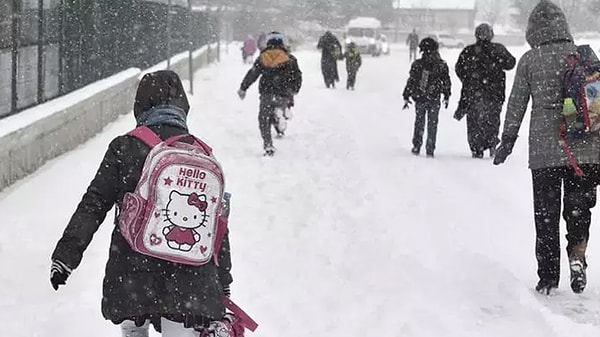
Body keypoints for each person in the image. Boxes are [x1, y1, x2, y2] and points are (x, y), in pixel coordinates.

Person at [50, 70, 233, 336]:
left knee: (134, 327)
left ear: (140, 105)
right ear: (182, 105)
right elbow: (217, 227)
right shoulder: (201, 153)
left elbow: (94, 203)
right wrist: (222, 281)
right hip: (189, 279)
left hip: (133, 271)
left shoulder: (125, 147)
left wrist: (65, 257)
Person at [494, 0, 600, 295]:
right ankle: (577, 256)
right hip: (586, 150)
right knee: (579, 209)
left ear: (533, 29)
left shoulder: (530, 59)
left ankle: (548, 277)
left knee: (546, 215)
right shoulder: (583, 56)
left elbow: (516, 104)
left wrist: (507, 140)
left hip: (545, 151)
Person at [455, 23, 516, 158]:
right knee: (492, 119)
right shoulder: (498, 49)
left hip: (473, 93)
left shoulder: (468, 51)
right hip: (495, 93)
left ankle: (477, 148)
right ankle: (492, 142)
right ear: (491, 35)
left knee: (474, 121)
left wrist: (468, 79)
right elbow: (511, 63)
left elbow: (459, 69)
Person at [237, 32, 303, 156]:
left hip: (267, 92)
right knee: (279, 108)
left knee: (264, 118)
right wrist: (294, 89)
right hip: (283, 93)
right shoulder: (290, 59)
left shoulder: (263, 57)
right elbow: (297, 76)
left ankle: (268, 144)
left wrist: (243, 88)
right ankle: (281, 115)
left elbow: (253, 74)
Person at [402, 37, 451, 158]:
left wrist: (406, 94)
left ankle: (417, 145)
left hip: (420, 97)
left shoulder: (418, 64)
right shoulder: (441, 65)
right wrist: (446, 94)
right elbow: (446, 81)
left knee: (419, 121)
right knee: (432, 123)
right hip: (434, 97)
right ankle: (430, 147)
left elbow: (411, 81)